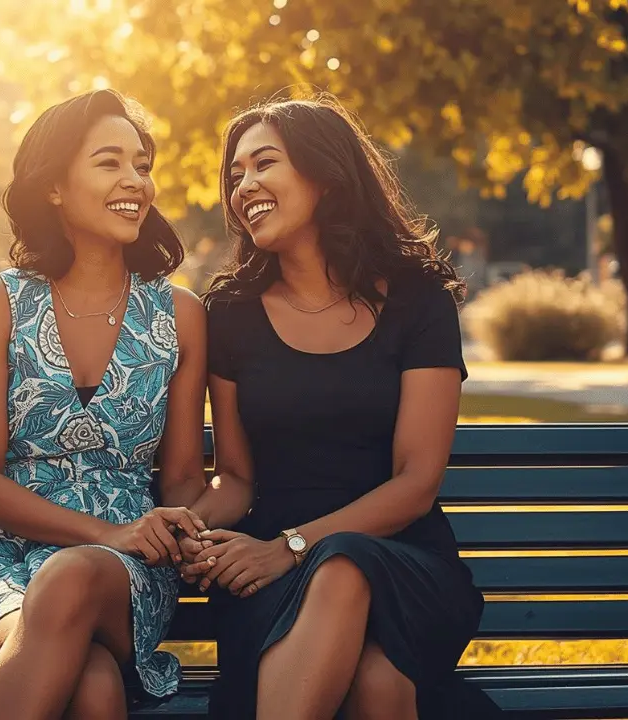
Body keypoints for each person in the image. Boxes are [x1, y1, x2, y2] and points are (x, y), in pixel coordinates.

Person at [179, 95, 498, 719]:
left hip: (403, 563)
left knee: (344, 565)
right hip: (267, 577)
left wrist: (293, 545)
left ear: (325, 176)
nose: (245, 186)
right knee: (379, 689)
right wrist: (194, 527)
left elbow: (415, 483)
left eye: (264, 163)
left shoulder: (419, 303)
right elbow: (238, 478)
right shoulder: (232, 314)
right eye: (236, 174)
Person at [0, 89, 210, 719]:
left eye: (141, 165)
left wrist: (188, 530)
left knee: (71, 576)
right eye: (108, 162)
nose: (133, 180)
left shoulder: (180, 316)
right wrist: (101, 530)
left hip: (123, 567)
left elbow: (185, 477)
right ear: (53, 186)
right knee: (91, 685)